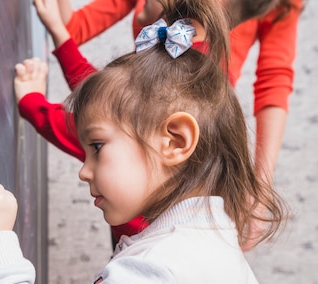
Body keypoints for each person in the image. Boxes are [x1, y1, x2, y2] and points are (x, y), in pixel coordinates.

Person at [0, 0, 298, 284]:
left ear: (175, 141)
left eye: (97, 148)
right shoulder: (204, 245)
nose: (84, 171)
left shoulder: (166, 272)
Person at [46, 0, 302, 250]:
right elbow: (80, 36)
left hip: (185, 145)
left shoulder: (191, 87)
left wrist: (33, 104)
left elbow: (274, 81)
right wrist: (60, 31)